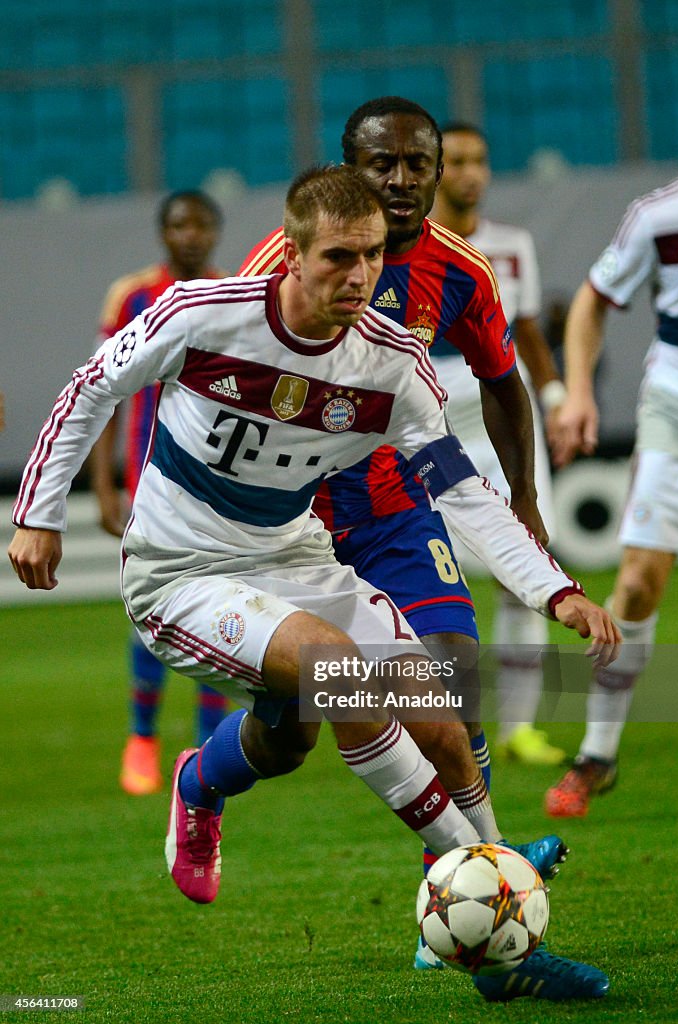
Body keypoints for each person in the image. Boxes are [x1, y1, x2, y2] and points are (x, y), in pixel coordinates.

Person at [9, 165, 618, 1003]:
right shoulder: (204, 314)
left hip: (295, 560)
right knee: (338, 670)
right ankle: (482, 909)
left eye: (370, 257)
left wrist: (553, 590)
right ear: (289, 255)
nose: (359, 275)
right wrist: (37, 512)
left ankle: (205, 783)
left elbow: (456, 485)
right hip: (180, 575)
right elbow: (90, 388)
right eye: (337, 257)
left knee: (423, 724)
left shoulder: (394, 364)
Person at [238, 97, 579, 978]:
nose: (397, 181)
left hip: (396, 508)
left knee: (450, 681)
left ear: (435, 170)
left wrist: (525, 503)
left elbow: (505, 385)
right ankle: (201, 783)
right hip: (293, 524)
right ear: (348, 168)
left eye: (413, 165)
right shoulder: (283, 262)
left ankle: (464, 888)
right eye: (378, 165)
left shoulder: (461, 271)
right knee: (288, 738)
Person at [546, 66, 678, 817]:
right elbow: (590, 301)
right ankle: (597, 753)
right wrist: (579, 390)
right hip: (675, 410)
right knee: (638, 583)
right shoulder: (658, 215)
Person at [430, 122, 567, 766]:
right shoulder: (401, 247)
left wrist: (560, 399)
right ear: (433, 170)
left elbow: (528, 332)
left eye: (479, 160)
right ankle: (431, 721)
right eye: (455, 160)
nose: (470, 172)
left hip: (498, 403)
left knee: (525, 562)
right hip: (425, 409)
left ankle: (518, 726)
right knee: (423, 571)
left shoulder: (511, 247)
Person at [90, 190, 230, 795]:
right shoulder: (133, 297)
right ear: (163, 232)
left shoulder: (239, 291)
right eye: (179, 224)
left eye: (201, 224)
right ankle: (142, 738)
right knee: (152, 610)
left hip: (222, 482)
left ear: (216, 232)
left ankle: (203, 749)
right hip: (150, 482)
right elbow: (102, 390)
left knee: (224, 610)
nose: (190, 234)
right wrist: (103, 485)